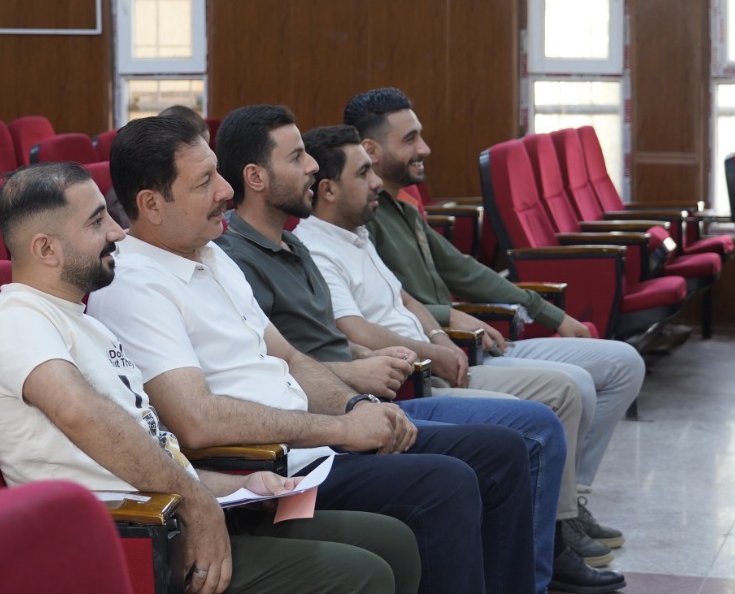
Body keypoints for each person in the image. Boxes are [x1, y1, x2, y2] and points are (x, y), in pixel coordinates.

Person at [87, 114, 537, 594]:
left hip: (314, 444)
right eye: (204, 182)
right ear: (152, 205)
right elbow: (195, 420)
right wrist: (342, 428)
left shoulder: (211, 253)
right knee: (446, 484)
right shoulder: (136, 286)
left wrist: (356, 407)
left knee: (501, 451)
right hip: (269, 472)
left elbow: (291, 358)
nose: (225, 190)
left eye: (218, 172)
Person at [211, 107, 623, 593]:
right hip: (313, 430)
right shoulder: (233, 258)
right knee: (473, 466)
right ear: (256, 177)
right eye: (297, 157)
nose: (312, 167)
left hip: (355, 399)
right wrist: (354, 385)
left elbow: (316, 343)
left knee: (510, 445)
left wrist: (369, 362)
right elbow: (273, 368)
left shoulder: (291, 245)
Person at [0, 162, 421, 594]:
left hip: (173, 514)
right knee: (362, 574)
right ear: (45, 249)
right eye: (96, 222)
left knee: (394, 543)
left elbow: (153, 447)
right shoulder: (14, 316)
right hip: (122, 541)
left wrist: (238, 485)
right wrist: (196, 503)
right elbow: (81, 414)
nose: (116, 232)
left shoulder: (85, 322)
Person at [345, 88, 646, 505]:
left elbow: (464, 270)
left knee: (625, 363)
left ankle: (569, 493)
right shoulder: (360, 220)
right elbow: (380, 309)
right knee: (574, 385)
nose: (424, 148)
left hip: (469, 340)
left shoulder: (406, 208)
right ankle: (562, 511)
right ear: (370, 150)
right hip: (443, 351)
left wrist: (552, 315)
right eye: (410, 139)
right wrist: (448, 317)